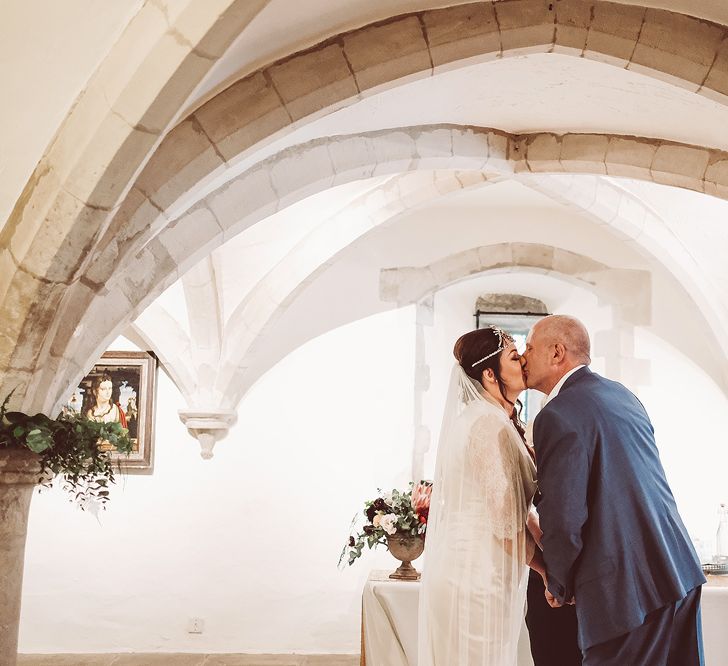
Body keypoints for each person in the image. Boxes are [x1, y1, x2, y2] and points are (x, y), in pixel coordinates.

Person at [521, 315, 705, 665]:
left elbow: (565, 515)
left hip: (627, 592)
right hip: (678, 572)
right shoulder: (622, 395)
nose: (523, 356)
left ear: (557, 352)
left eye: (530, 348)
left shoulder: (558, 414)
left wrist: (557, 583)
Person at [419, 326, 545, 665]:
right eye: (514, 357)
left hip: (480, 566)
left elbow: (517, 508)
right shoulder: (486, 425)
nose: (523, 363)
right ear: (490, 374)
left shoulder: (486, 419)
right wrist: (546, 570)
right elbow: (505, 522)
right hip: (475, 573)